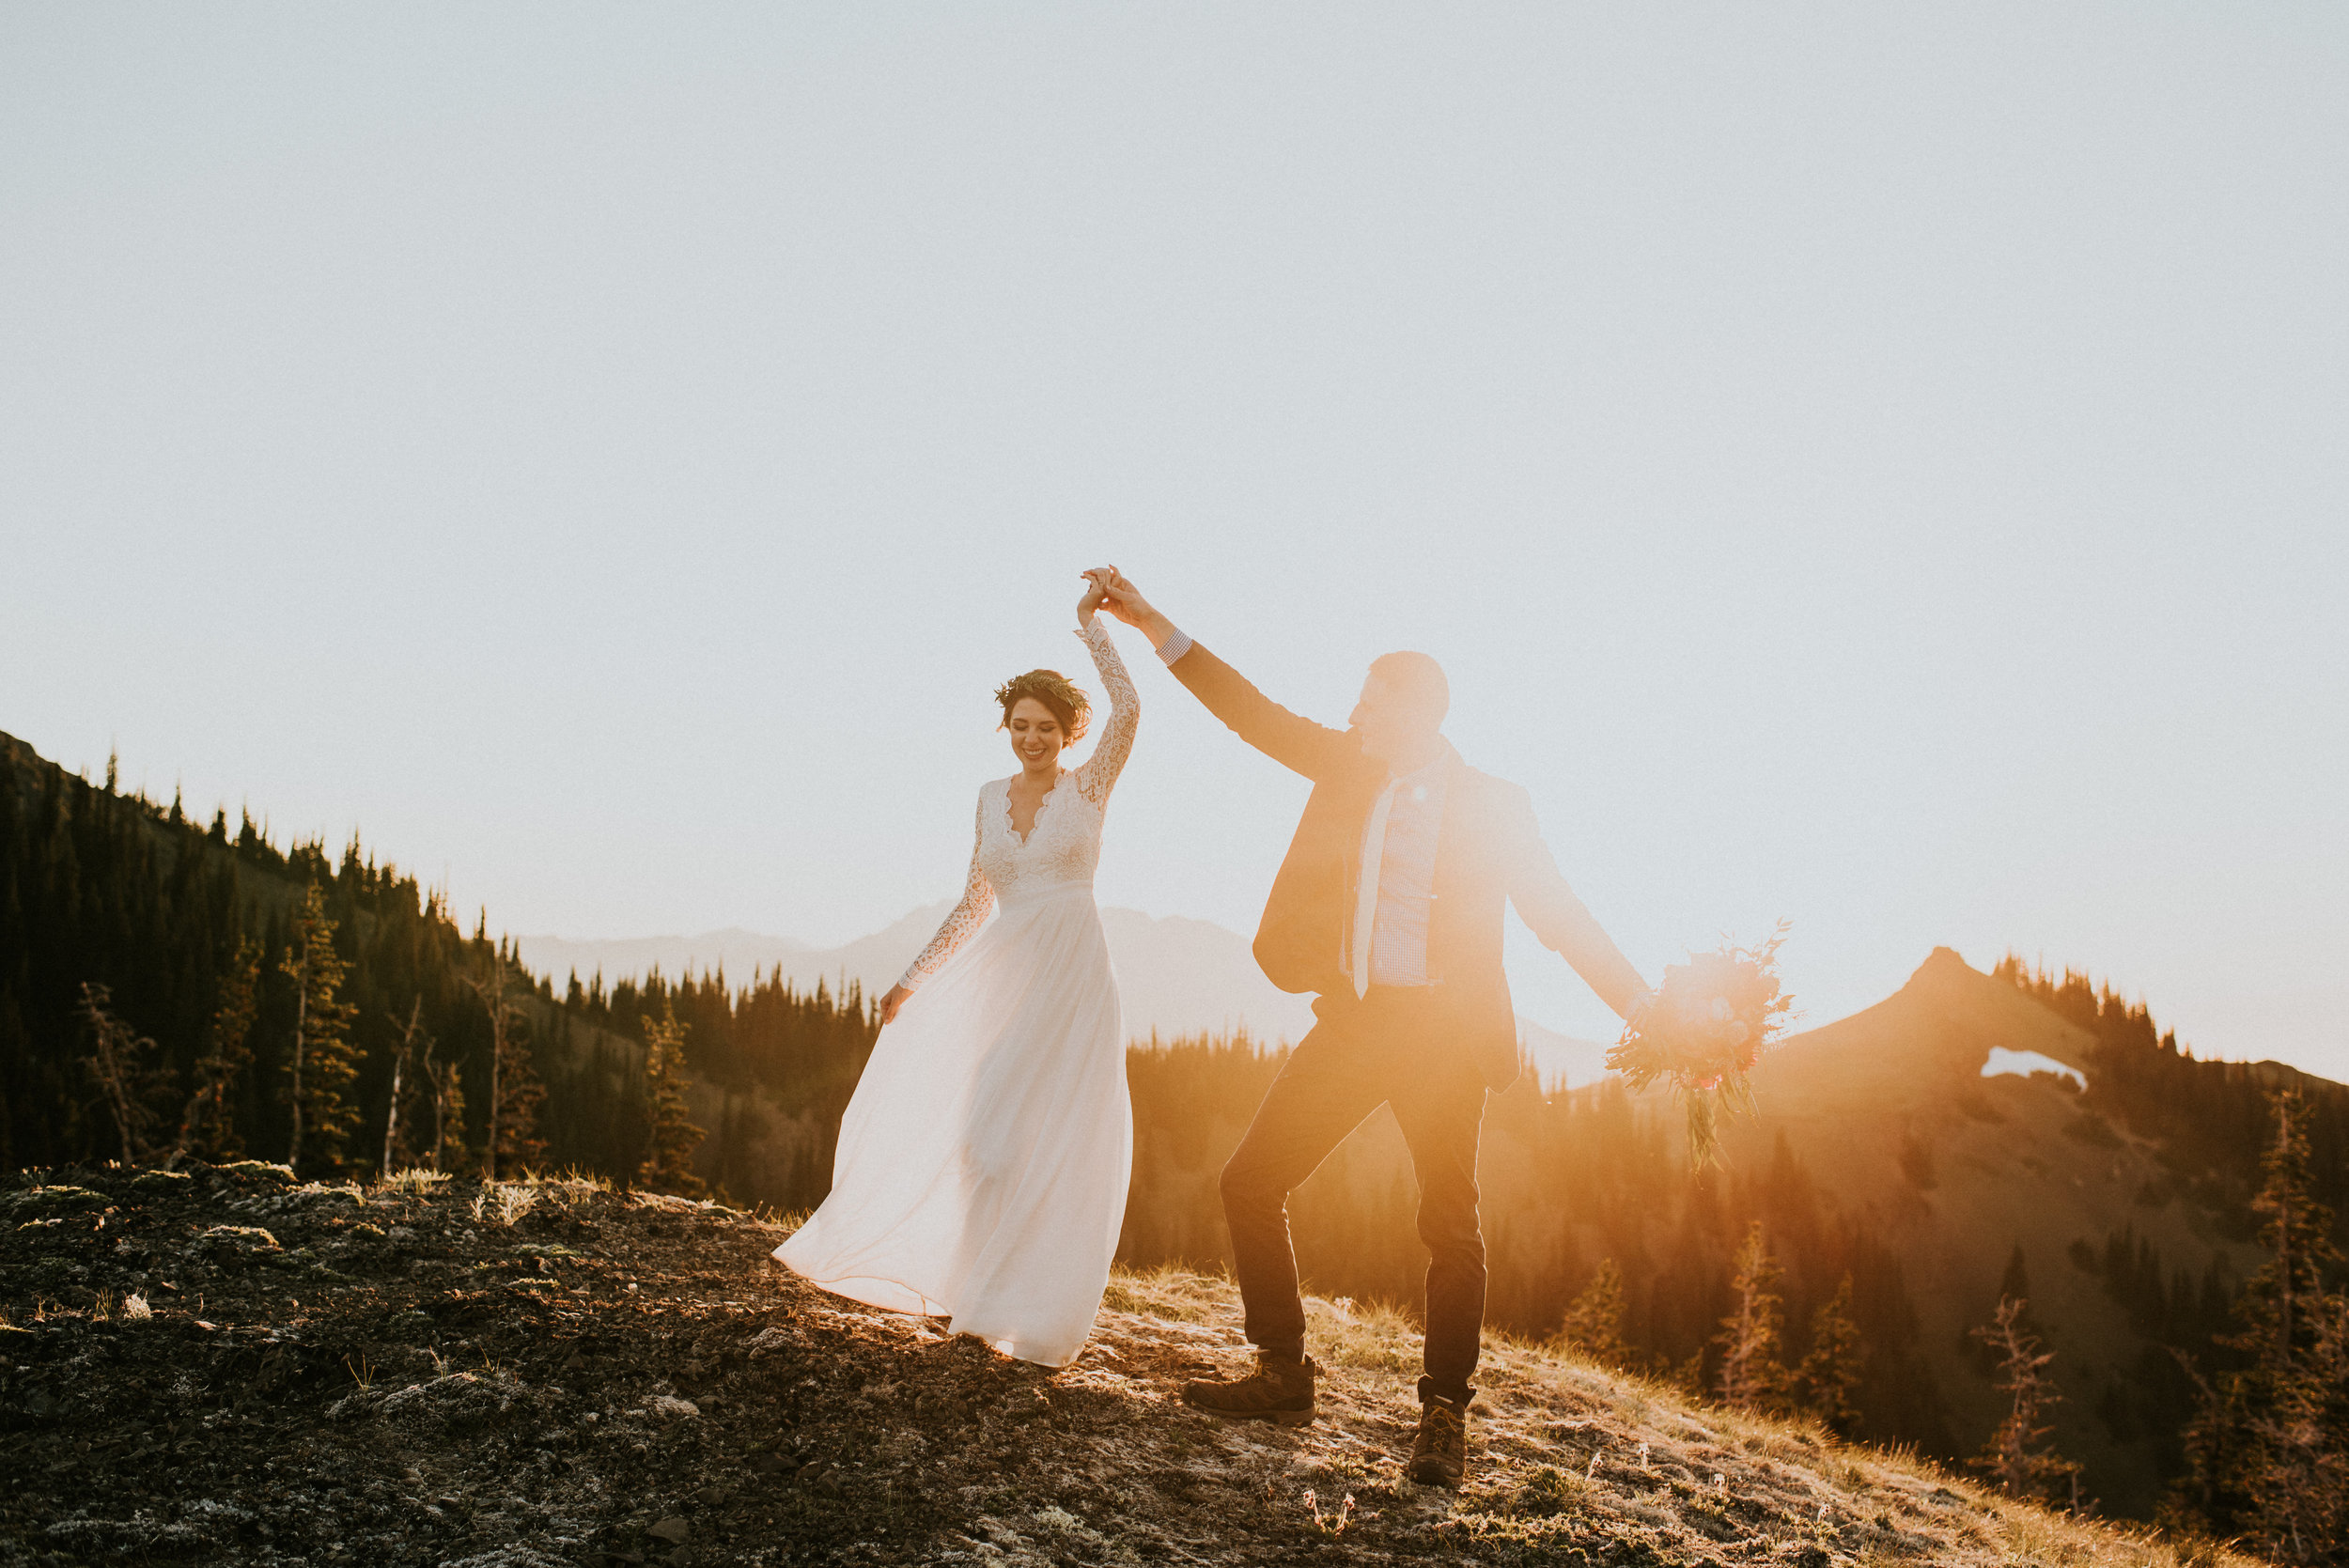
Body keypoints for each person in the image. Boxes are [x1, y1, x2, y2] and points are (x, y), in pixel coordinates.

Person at [1091, 567, 1653, 1487]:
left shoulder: (1495, 804)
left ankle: (1442, 1414)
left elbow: (1562, 917)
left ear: (1419, 713)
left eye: (1369, 703)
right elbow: (1251, 713)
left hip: (1445, 1040)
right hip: (1356, 1023)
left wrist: (1646, 1014)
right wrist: (1156, 625)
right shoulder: (1350, 767)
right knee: (1250, 1180)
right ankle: (1281, 1369)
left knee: (1449, 1225)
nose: (1353, 716)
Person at [775, 569, 1140, 1368]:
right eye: (1019, 724)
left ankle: (1024, 1309)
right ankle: (970, 1292)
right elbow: (975, 901)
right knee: (985, 1139)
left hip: (1073, 980)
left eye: (1046, 725)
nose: (1032, 737)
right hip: (1004, 979)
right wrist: (913, 977)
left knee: (1053, 1141)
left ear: (1071, 731)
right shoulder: (986, 799)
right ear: (1005, 728)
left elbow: (1132, 707)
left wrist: (1093, 624)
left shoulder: (1091, 787)